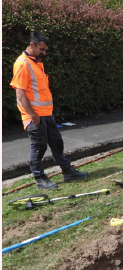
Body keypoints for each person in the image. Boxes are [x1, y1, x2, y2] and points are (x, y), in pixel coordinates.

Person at [10, 31, 89, 189]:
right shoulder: (22, 63)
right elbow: (20, 93)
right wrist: (33, 115)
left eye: (45, 50)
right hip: (34, 117)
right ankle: (40, 179)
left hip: (46, 114)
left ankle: (68, 172)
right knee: (39, 148)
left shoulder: (36, 62)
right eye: (42, 49)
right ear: (32, 45)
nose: (44, 53)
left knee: (57, 143)